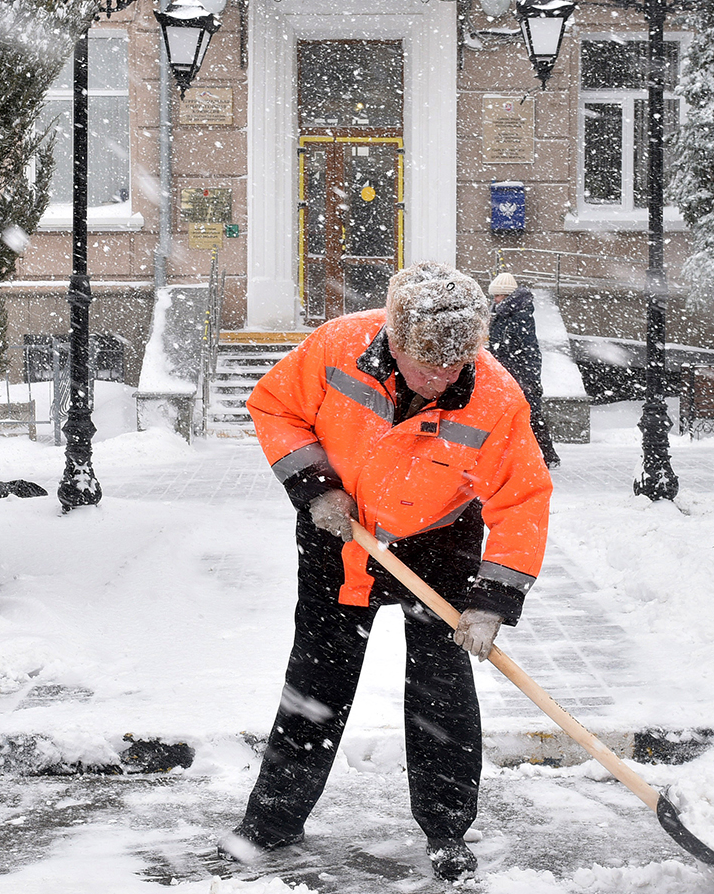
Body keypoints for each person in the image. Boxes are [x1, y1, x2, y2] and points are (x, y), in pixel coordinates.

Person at [229, 262, 554, 882]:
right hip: (341, 535)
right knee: (317, 683)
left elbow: (522, 498)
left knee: (442, 688)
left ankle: (447, 830)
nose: (439, 380)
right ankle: (270, 823)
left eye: (454, 367)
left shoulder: (495, 395)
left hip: (438, 543)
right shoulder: (336, 348)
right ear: (394, 340)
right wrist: (316, 487)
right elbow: (274, 406)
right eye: (425, 365)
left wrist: (491, 601)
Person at [486, 273, 561, 467]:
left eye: (498, 296)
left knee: (531, 415)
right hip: (508, 373)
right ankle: (518, 456)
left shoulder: (519, 315)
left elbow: (528, 348)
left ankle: (549, 456)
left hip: (518, 374)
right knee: (522, 416)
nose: (495, 299)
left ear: (507, 296)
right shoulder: (503, 314)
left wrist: (530, 380)